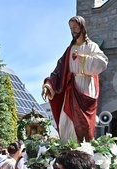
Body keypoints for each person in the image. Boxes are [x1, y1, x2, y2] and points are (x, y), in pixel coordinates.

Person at [42, 16, 108, 144]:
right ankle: (66, 150)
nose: (73, 30)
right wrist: (49, 84)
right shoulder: (69, 49)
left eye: (75, 27)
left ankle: (82, 151)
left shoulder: (91, 46)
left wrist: (84, 60)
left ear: (82, 27)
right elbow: (59, 69)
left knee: (83, 124)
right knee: (65, 121)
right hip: (70, 89)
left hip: (85, 87)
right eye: (71, 28)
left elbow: (102, 62)